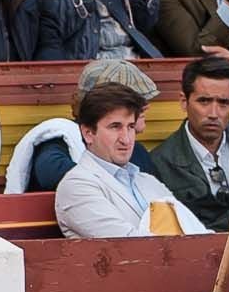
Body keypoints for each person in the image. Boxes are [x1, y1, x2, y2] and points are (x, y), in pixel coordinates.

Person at [52, 82, 205, 239]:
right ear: (88, 133)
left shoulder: (147, 181)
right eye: (115, 127)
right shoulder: (77, 186)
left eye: (130, 127)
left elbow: (194, 232)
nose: (126, 139)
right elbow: (130, 245)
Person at [140, 53, 229, 233]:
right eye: (204, 101)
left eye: (223, 103)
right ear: (184, 102)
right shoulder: (160, 162)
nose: (213, 113)